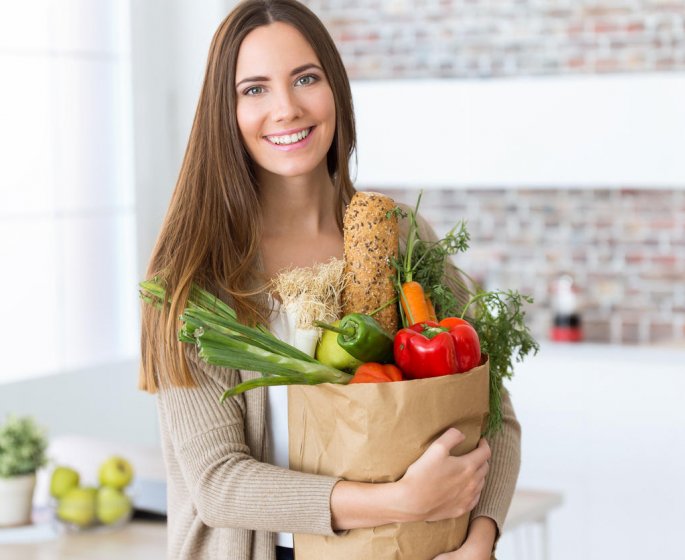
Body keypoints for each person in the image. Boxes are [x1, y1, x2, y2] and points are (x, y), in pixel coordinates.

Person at [139, 1, 521, 559]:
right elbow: (218, 484)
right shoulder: (195, 274)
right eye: (254, 89)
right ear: (225, 110)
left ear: (335, 89)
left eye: (306, 78)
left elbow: (494, 414)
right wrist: (401, 501)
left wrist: (480, 539)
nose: (286, 108)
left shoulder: (403, 239)